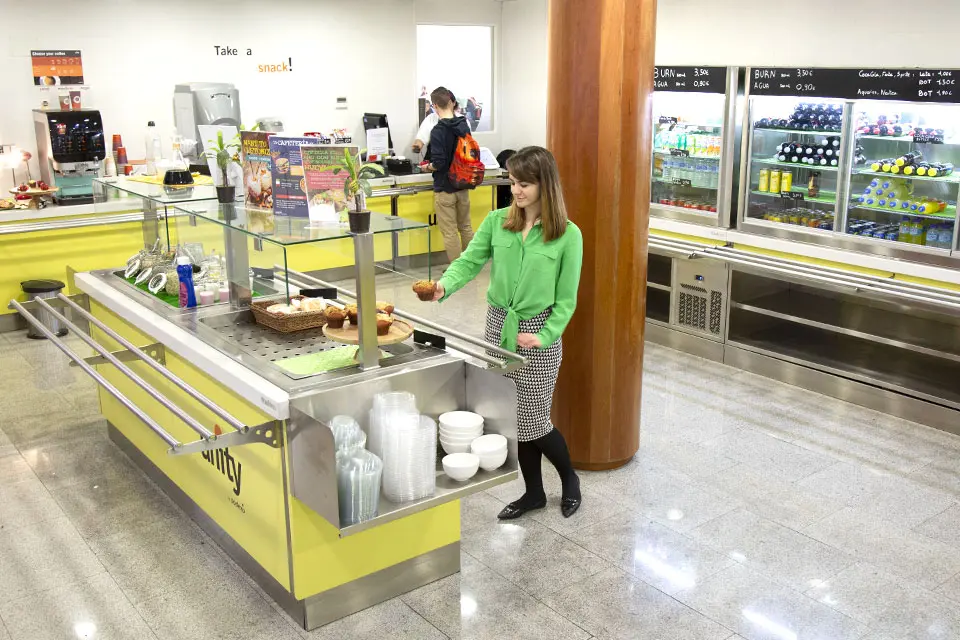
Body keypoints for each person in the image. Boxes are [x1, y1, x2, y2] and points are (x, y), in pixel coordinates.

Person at [427, 146, 584, 519]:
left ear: (546, 185)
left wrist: (543, 336)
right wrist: (443, 286)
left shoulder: (567, 235)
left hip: (538, 334)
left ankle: (570, 479)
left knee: (535, 421)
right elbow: (469, 261)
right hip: (498, 327)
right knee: (513, 419)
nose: (516, 191)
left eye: (525, 184)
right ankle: (533, 493)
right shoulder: (498, 221)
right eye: (512, 182)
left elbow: (566, 301)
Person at [425, 87, 474, 263]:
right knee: (466, 227)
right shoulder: (464, 125)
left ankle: (457, 271)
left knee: (450, 231)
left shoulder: (438, 130)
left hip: (445, 187)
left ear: (435, 105)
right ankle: (471, 266)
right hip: (463, 184)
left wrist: (427, 167)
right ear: (452, 102)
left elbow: (439, 163)